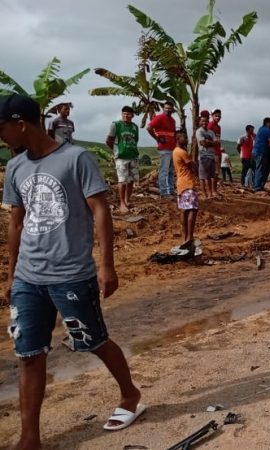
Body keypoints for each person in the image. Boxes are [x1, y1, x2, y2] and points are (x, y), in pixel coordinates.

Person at [0, 94, 143, 450]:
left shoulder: (75, 158)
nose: (1, 136)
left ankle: (130, 394)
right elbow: (16, 223)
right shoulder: (15, 168)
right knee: (29, 355)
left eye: (1, 128)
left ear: (20, 124)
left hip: (71, 275)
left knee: (94, 341)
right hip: (29, 280)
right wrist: (11, 274)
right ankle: (29, 438)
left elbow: (100, 210)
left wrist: (107, 265)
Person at [106, 106, 139, 213]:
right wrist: (116, 151)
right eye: (124, 113)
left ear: (132, 115)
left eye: (128, 114)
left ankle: (127, 200)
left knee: (130, 180)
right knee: (122, 180)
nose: (126, 116)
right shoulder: (116, 125)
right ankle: (122, 203)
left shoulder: (135, 127)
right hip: (121, 157)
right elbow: (109, 140)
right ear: (121, 114)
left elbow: (135, 140)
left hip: (133, 156)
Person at [172, 128, 199, 253]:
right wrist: (195, 163)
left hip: (180, 184)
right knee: (192, 209)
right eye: (184, 137)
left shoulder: (175, 151)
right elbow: (193, 166)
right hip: (188, 183)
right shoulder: (182, 152)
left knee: (184, 210)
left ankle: (185, 237)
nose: (186, 139)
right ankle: (189, 236)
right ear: (178, 139)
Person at [146, 101, 177, 197]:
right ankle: (164, 192)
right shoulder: (159, 118)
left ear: (172, 109)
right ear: (163, 108)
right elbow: (148, 127)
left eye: (170, 108)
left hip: (172, 148)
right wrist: (157, 138)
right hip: (164, 148)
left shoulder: (173, 121)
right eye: (166, 108)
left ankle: (171, 190)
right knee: (164, 170)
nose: (168, 110)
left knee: (171, 170)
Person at [196, 113, 218, 199]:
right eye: (202, 121)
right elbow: (203, 143)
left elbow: (217, 143)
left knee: (209, 176)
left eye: (206, 121)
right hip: (203, 156)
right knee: (202, 177)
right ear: (199, 122)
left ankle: (210, 194)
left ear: (208, 121)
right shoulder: (199, 131)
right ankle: (204, 194)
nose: (204, 123)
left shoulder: (211, 132)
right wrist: (209, 142)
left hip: (211, 156)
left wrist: (208, 142)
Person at [253, 117, 270, 192]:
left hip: (258, 152)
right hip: (261, 152)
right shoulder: (268, 131)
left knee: (263, 170)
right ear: (268, 123)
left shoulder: (261, 129)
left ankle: (260, 186)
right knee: (260, 170)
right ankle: (257, 188)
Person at [208, 109, 222, 193]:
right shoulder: (210, 125)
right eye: (216, 115)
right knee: (213, 172)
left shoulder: (218, 127)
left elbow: (218, 139)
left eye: (219, 116)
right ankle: (212, 190)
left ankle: (215, 189)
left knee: (216, 172)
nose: (218, 117)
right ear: (212, 115)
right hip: (212, 152)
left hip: (218, 151)